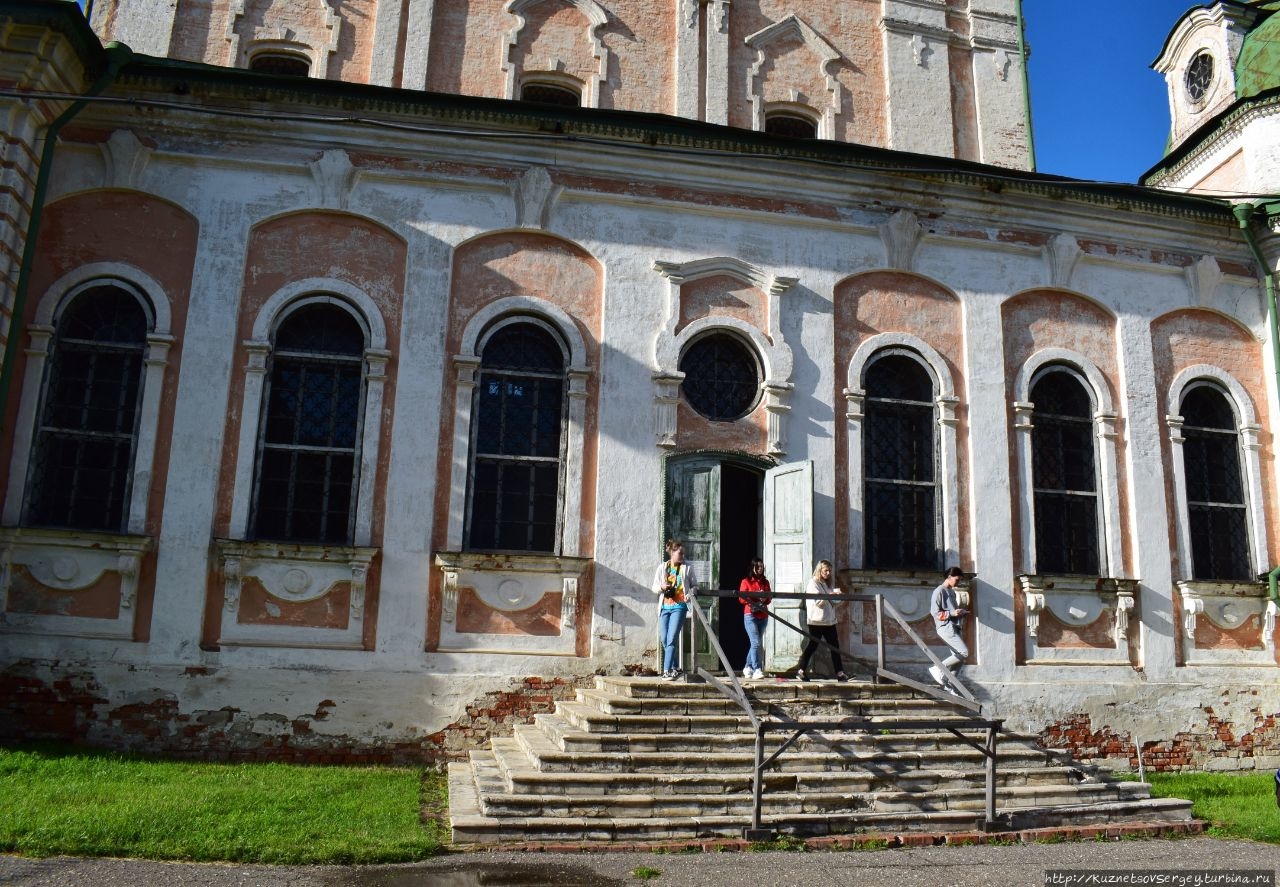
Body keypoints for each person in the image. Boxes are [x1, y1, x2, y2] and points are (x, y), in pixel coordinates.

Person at [652, 538, 697, 680]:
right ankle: (676, 667)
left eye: (683, 554)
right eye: (680, 553)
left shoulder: (687, 568)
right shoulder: (662, 567)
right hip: (664, 607)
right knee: (665, 640)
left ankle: (667, 671)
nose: (683, 556)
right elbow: (654, 587)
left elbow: (695, 586)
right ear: (672, 553)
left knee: (671, 639)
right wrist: (662, 587)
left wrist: (689, 594)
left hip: (679, 607)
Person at [795, 560, 847, 682]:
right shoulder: (813, 583)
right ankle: (801, 671)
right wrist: (831, 593)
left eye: (829, 571)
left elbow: (832, 603)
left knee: (835, 647)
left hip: (829, 621)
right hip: (817, 621)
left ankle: (840, 674)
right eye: (826, 570)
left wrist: (840, 597)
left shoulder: (824, 584)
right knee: (812, 646)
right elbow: (818, 602)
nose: (828, 573)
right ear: (820, 570)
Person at [929, 566, 970, 692]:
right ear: (949, 577)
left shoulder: (951, 592)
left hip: (954, 627)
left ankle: (949, 684)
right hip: (945, 627)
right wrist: (952, 614)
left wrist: (961, 612)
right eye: (957, 580)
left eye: (960, 580)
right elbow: (935, 613)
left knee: (959, 659)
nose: (958, 582)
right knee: (964, 653)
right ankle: (937, 668)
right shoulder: (939, 591)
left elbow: (953, 611)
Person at [737, 558, 772, 680]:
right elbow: (741, 599)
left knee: (755, 643)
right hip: (750, 615)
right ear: (753, 568)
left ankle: (748, 667)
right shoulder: (746, 581)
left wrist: (764, 598)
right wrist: (755, 596)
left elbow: (769, 597)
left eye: (762, 566)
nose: (760, 569)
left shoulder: (765, 582)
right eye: (758, 567)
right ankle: (757, 668)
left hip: (763, 615)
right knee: (756, 642)